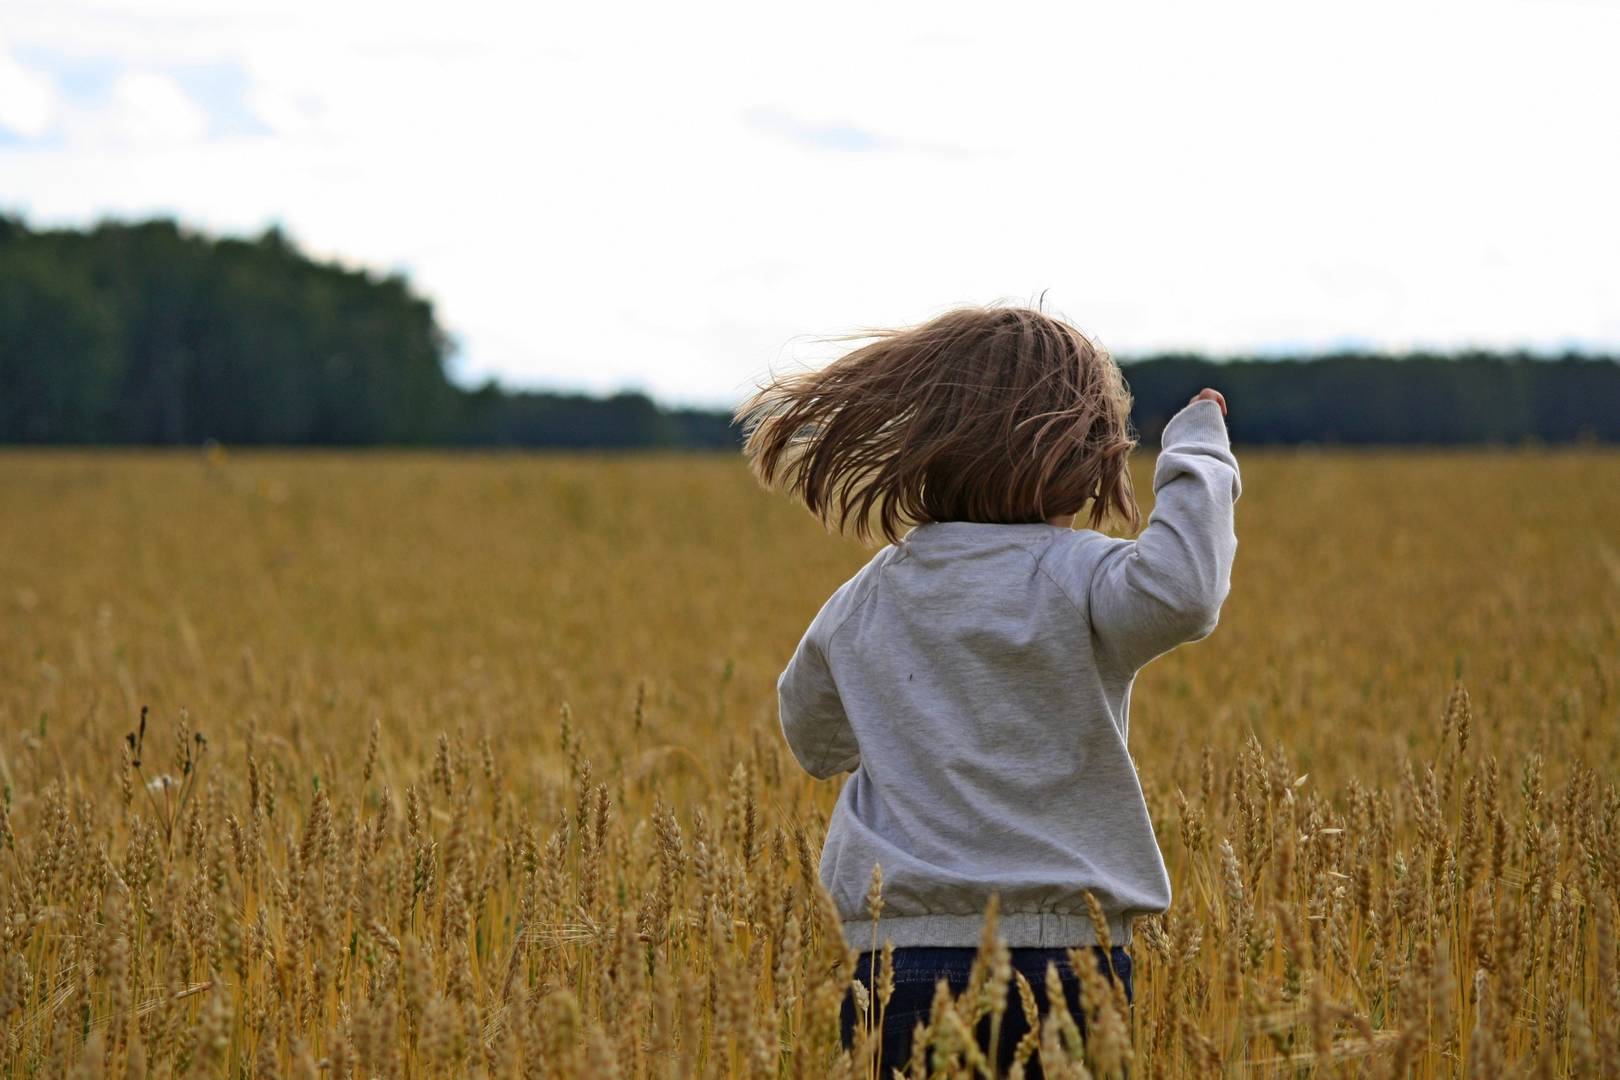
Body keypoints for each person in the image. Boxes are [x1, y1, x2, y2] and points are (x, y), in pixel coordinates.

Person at [734, 302, 1242, 1075]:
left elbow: (812, 738)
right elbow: (1185, 592)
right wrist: (1199, 451)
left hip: (898, 965)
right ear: (1076, 453)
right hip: (1069, 962)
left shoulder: (869, 595)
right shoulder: (1080, 575)